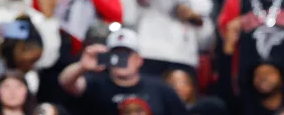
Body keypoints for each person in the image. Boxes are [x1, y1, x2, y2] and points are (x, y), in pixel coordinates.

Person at [57, 28, 188, 115]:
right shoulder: (95, 84)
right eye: (116, 54)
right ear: (108, 57)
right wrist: (82, 66)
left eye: (126, 54)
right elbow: (65, 82)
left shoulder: (160, 89)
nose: (121, 60)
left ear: (139, 59)